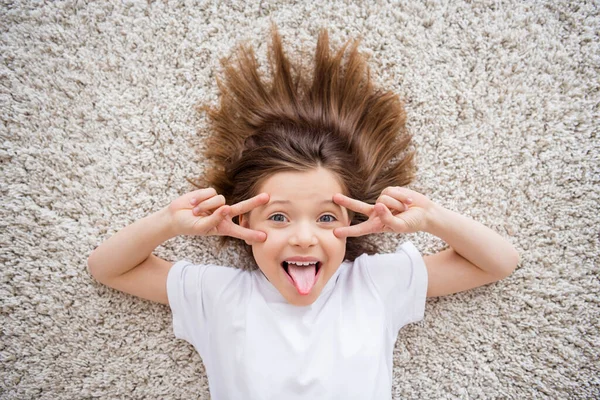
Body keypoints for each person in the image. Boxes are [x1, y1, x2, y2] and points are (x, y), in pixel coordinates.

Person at [87, 23, 520, 399]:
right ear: (243, 222)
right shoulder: (219, 294)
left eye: (326, 217)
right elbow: (108, 268)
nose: (303, 237)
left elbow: (499, 262)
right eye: (278, 216)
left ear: (350, 222)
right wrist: (169, 223)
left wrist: (431, 218)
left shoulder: (373, 284)